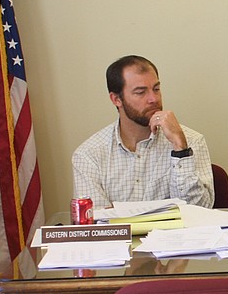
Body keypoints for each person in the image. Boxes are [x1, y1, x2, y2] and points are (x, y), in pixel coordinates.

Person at [72, 55, 214, 209]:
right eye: (141, 92)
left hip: (175, 234)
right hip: (122, 234)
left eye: (156, 89)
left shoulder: (191, 141)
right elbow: (96, 223)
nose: (153, 99)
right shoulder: (88, 155)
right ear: (116, 99)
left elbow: (201, 210)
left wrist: (181, 150)